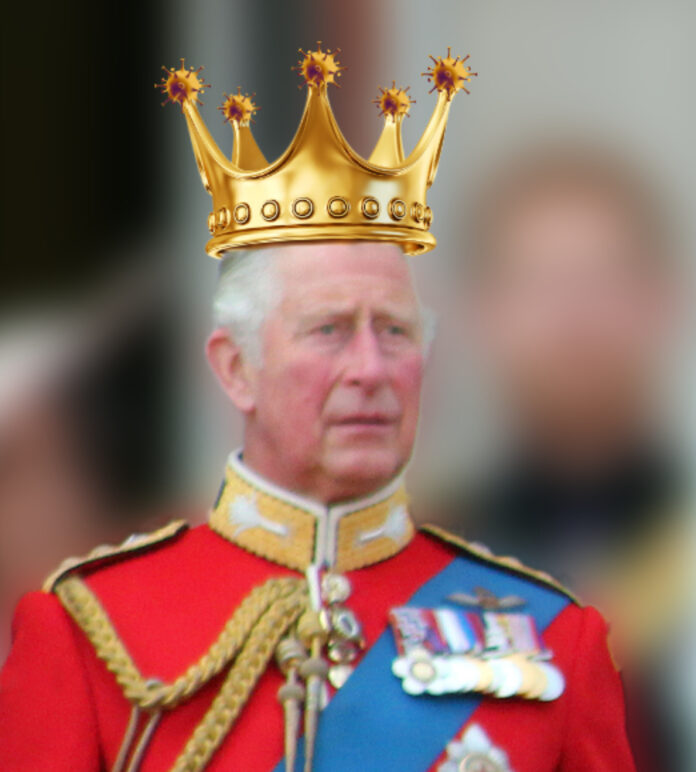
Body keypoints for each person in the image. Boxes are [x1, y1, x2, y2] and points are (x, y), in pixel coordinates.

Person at [0, 48, 635, 771]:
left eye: (394, 332)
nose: (370, 369)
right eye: (329, 330)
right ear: (235, 368)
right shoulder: (91, 628)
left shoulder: (555, 638)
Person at [441, 143, 690, 770]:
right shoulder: (421, 562)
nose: (573, 318)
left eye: (602, 279)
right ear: (480, 313)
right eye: (539, 283)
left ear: (663, 298)